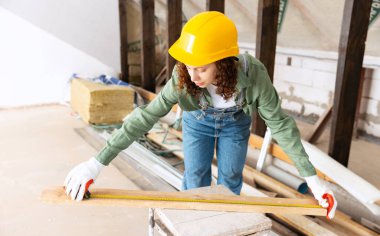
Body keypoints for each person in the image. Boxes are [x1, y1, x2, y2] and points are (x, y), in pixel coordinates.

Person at [64, 11, 337, 223]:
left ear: (224, 61)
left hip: (235, 125)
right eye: (189, 67)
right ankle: (196, 235)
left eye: (202, 69)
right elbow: (144, 118)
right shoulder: (183, 78)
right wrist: (96, 163)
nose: (193, 77)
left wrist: (312, 178)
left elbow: (280, 125)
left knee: (230, 182)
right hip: (198, 122)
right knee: (195, 179)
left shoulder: (253, 75)